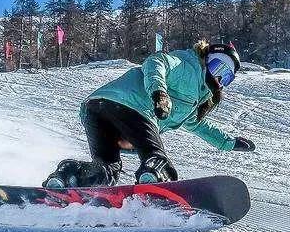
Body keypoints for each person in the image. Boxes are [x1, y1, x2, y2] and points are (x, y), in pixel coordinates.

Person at [43, 40, 256, 188]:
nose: (219, 78)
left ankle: (68, 175)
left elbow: (198, 125)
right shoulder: (188, 65)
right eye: (217, 66)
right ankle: (155, 182)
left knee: (106, 172)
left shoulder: (195, 100)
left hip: (96, 111)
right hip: (129, 105)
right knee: (156, 160)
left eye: (227, 77)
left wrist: (228, 142)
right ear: (206, 58)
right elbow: (156, 62)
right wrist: (159, 93)